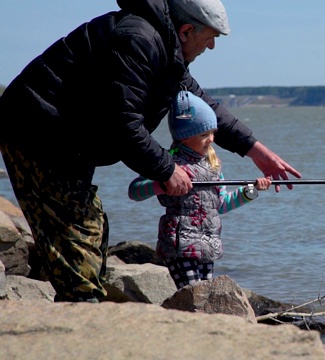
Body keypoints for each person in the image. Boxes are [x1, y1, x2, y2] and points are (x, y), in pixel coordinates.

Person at [0, 0, 300, 302]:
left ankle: (85, 310)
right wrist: (167, 170)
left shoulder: (166, 50)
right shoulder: (139, 40)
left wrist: (256, 150)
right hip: (36, 132)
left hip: (68, 141)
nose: (211, 47)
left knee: (93, 228)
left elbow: (205, 106)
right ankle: (81, 319)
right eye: (210, 37)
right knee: (79, 237)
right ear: (185, 30)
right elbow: (123, 123)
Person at [128, 91, 271, 289]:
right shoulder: (167, 162)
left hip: (207, 245)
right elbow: (134, 191)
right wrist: (161, 185)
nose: (211, 139)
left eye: (213, 132)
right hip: (179, 246)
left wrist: (250, 191)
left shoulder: (213, 165)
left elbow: (220, 205)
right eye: (204, 134)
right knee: (192, 293)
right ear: (184, 137)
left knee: (204, 297)